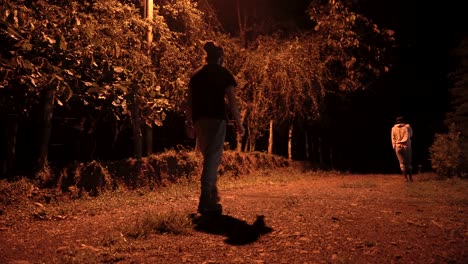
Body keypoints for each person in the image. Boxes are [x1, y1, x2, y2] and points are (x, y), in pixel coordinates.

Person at [184, 41, 245, 215]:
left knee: (209, 158)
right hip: (217, 119)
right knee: (212, 159)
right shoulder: (224, 74)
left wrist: (189, 123)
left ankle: (212, 195)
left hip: (199, 120)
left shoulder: (196, 75)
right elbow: (233, 102)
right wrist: (239, 123)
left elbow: (189, 102)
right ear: (220, 57)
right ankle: (204, 199)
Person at [391, 116, 413, 182]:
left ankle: (405, 178)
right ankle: (411, 178)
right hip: (406, 146)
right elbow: (411, 134)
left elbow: (393, 138)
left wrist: (394, 146)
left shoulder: (393, 128)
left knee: (401, 163)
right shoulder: (407, 127)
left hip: (398, 146)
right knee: (408, 162)